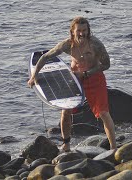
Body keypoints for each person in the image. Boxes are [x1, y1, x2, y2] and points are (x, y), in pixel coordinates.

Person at [28, 16, 116, 151]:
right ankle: (66, 144)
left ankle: (114, 147)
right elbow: (45, 57)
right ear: (72, 31)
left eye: (85, 30)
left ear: (88, 30)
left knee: (103, 113)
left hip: (94, 78)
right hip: (75, 80)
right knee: (66, 111)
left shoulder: (95, 44)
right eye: (79, 30)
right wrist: (34, 76)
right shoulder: (67, 45)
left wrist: (87, 73)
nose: (82, 33)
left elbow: (106, 64)